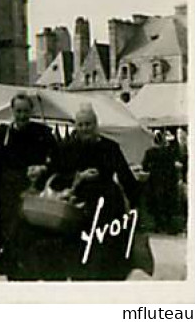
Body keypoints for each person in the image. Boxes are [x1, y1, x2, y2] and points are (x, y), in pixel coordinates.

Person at [50, 103, 141, 280]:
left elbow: (125, 176)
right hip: (78, 206)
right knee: (80, 256)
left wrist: (135, 203)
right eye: (81, 125)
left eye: (88, 124)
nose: (85, 129)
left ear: (96, 125)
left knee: (106, 256)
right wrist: (78, 177)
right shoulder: (67, 149)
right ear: (75, 126)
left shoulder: (110, 147)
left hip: (107, 205)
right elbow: (56, 178)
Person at [0, 93, 58, 280]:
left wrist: (44, 168)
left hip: (34, 194)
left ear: (31, 111)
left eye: (25, 111)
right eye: (18, 111)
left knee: (31, 241)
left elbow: (58, 160)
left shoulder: (43, 133)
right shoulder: (2, 135)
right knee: (10, 242)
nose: (22, 115)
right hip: (7, 196)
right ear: (12, 111)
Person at [141, 131, 180, 234]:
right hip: (168, 181)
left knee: (156, 204)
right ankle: (169, 226)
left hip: (155, 181)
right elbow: (174, 167)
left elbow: (144, 166)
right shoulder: (169, 152)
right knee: (168, 204)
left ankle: (158, 226)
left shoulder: (149, 152)